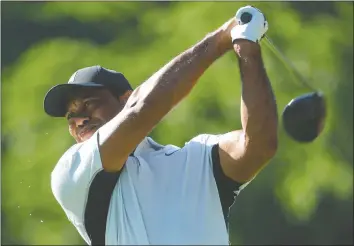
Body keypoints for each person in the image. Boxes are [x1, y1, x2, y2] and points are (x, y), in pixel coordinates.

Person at [45, 5, 278, 245]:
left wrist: (246, 48)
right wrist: (219, 40)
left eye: (89, 104)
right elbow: (142, 109)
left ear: (124, 99)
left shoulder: (196, 159)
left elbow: (259, 145)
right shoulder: (73, 171)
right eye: (70, 116)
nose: (79, 120)